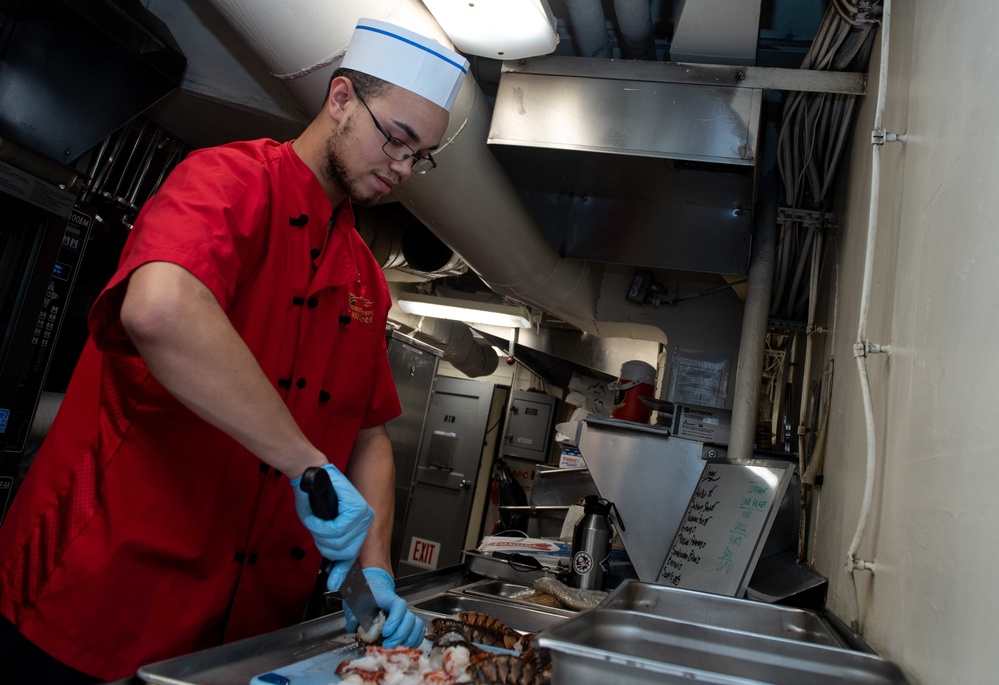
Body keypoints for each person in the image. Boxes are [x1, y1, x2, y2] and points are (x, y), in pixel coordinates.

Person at [0, 18, 469, 684]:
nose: (402, 166)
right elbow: (160, 309)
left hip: (242, 629)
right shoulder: (225, 181)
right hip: (99, 594)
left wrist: (375, 566)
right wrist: (308, 466)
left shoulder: (364, 275)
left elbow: (368, 433)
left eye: (418, 156)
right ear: (339, 100)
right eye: (396, 139)